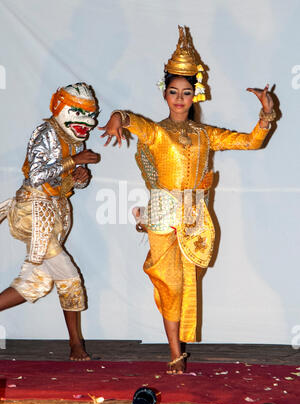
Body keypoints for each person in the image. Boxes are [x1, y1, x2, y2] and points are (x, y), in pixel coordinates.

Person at [99, 26, 276, 374]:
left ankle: (177, 348)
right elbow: (131, 120)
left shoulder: (205, 134)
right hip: (164, 211)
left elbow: (251, 142)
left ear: (196, 95)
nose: (179, 98)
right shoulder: (157, 130)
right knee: (171, 283)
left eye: (186, 92)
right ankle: (174, 352)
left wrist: (266, 114)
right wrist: (116, 119)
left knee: (187, 281)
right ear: (164, 94)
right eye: (173, 91)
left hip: (195, 215)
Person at [0, 82, 100, 361]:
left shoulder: (74, 139)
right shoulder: (46, 131)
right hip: (34, 212)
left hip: (53, 213)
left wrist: (80, 178)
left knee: (36, 283)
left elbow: (62, 180)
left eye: (90, 114)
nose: (87, 121)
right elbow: (36, 176)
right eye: (78, 112)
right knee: (69, 277)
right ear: (61, 107)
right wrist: (73, 162)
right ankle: (75, 345)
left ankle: (75, 345)